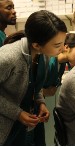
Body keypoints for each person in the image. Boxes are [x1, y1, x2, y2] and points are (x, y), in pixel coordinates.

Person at [0, 10, 67, 145]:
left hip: (29, 126)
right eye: (57, 45)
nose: (63, 50)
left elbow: (33, 85)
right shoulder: (8, 57)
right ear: (36, 45)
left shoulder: (43, 54)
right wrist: (17, 113)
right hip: (6, 130)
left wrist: (40, 102)